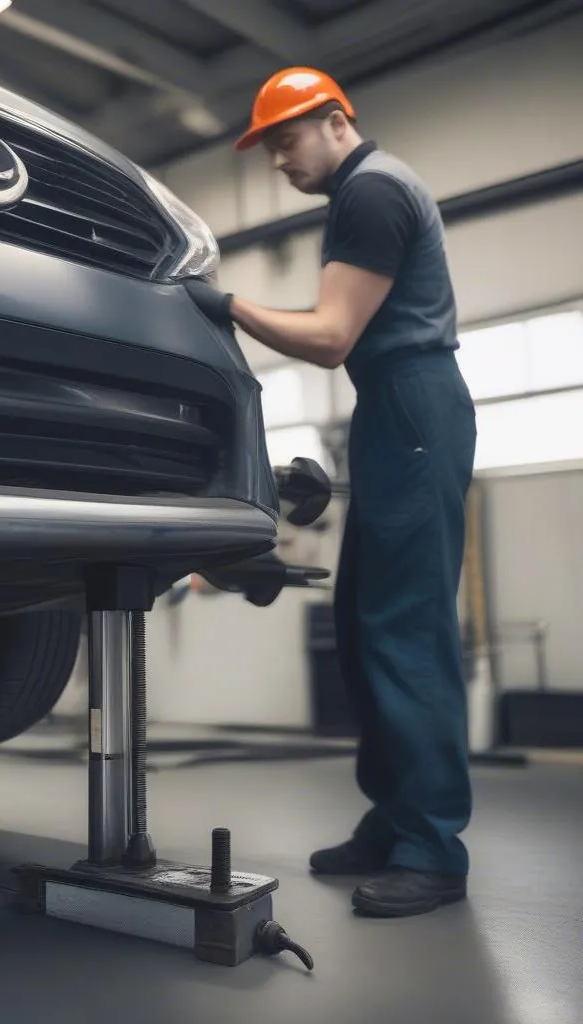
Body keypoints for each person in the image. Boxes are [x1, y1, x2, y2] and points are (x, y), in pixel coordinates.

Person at [186, 67, 478, 919]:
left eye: (284, 138)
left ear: (333, 120)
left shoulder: (374, 193)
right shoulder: (366, 193)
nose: (277, 159)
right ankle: (392, 821)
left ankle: (432, 847)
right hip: (391, 410)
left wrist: (224, 303)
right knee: (363, 620)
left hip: (414, 405)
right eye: (269, 145)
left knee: (406, 629)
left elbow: (330, 336)